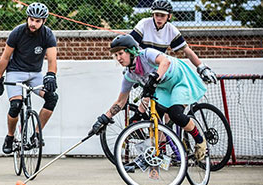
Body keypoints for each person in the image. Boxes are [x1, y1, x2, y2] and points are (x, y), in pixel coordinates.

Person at [88, 34, 217, 161]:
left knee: (175, 114)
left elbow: (165, 62)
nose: (119, 58)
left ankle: (200, 140)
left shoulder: (146, 54)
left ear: (131, 51)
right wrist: (104, 119)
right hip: (164, 88)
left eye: (121, 53)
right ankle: (159, 152)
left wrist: (154, 77)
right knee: (155, 117)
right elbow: (121, 101)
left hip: (179, 80)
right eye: (116, 55)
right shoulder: (129, 75)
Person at [127, 0, 217, 123]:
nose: (159, 18)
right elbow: (130, 45)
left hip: (161, 69)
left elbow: (187, 50)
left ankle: (166, 138)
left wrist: (202, 67)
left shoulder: (171, 30)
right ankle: (137, 121)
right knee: (148, 97)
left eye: (162, 15)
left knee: (167, 110)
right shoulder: (144, 24)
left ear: (169, 16)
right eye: (156, 14)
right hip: (144, 67)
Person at [0, 2, 58, 154]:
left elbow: (52, 59)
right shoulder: (17, 32)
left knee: (52, 98)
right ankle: (10, 136)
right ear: (27, 18)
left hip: (35, 74)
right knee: (16, 105)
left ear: (44, 21)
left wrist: (51, 75)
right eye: (31, 19)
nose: (33, 23)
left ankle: (36, 135)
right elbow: (5, 57)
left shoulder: (48, 35)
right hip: (15, 72)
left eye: (38, 21)